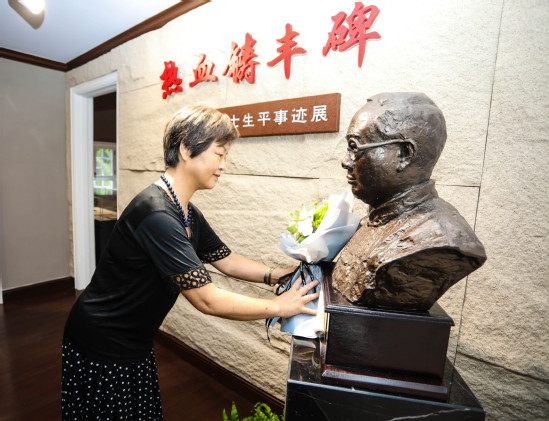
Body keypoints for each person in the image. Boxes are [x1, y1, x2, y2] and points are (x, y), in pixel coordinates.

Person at [61, 105, 319, 420]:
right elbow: (206, 299)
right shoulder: (157, 214)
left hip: (134, 339)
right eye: (219, 154)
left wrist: (278, 275)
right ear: (186, 149)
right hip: (102, 340)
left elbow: (227, 260)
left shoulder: (186, 212)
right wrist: (279, 307)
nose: (223, 165)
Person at [332, 92, 486, 311]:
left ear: (404, 154)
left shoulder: (440, 235)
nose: (346, 162)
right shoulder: (373, 219)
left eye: (354, 147)